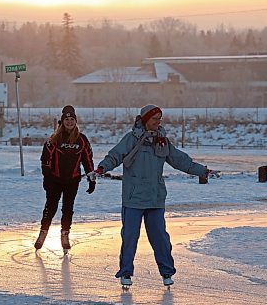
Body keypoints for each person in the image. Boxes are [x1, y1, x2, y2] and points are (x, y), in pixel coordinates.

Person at [89, 104, 211, 287]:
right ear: (145, 119)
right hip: (133, 199)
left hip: (155, 198)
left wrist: (203, 171)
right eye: (155, 119)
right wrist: (101, 168)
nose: (158, 122)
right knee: (130, 236)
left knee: (160, 237)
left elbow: (180, 160)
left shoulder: (162, 141)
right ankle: (126, 273)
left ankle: (167, 272)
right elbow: (115, 155)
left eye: (160, 119)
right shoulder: (131, 139)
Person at [35, 105, 95, 253]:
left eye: (72, 119)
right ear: (62, 122)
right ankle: (43, 232)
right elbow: (45, 159)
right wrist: (47, 177)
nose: (69, 122)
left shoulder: (82, 140)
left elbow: (87, 160)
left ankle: (65, 234)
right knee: (51, 207)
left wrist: (91, 179)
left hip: (72, 180)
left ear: (76, 121)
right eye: (66, 119)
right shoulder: (54, 139)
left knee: (68, 209)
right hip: (54, 180)